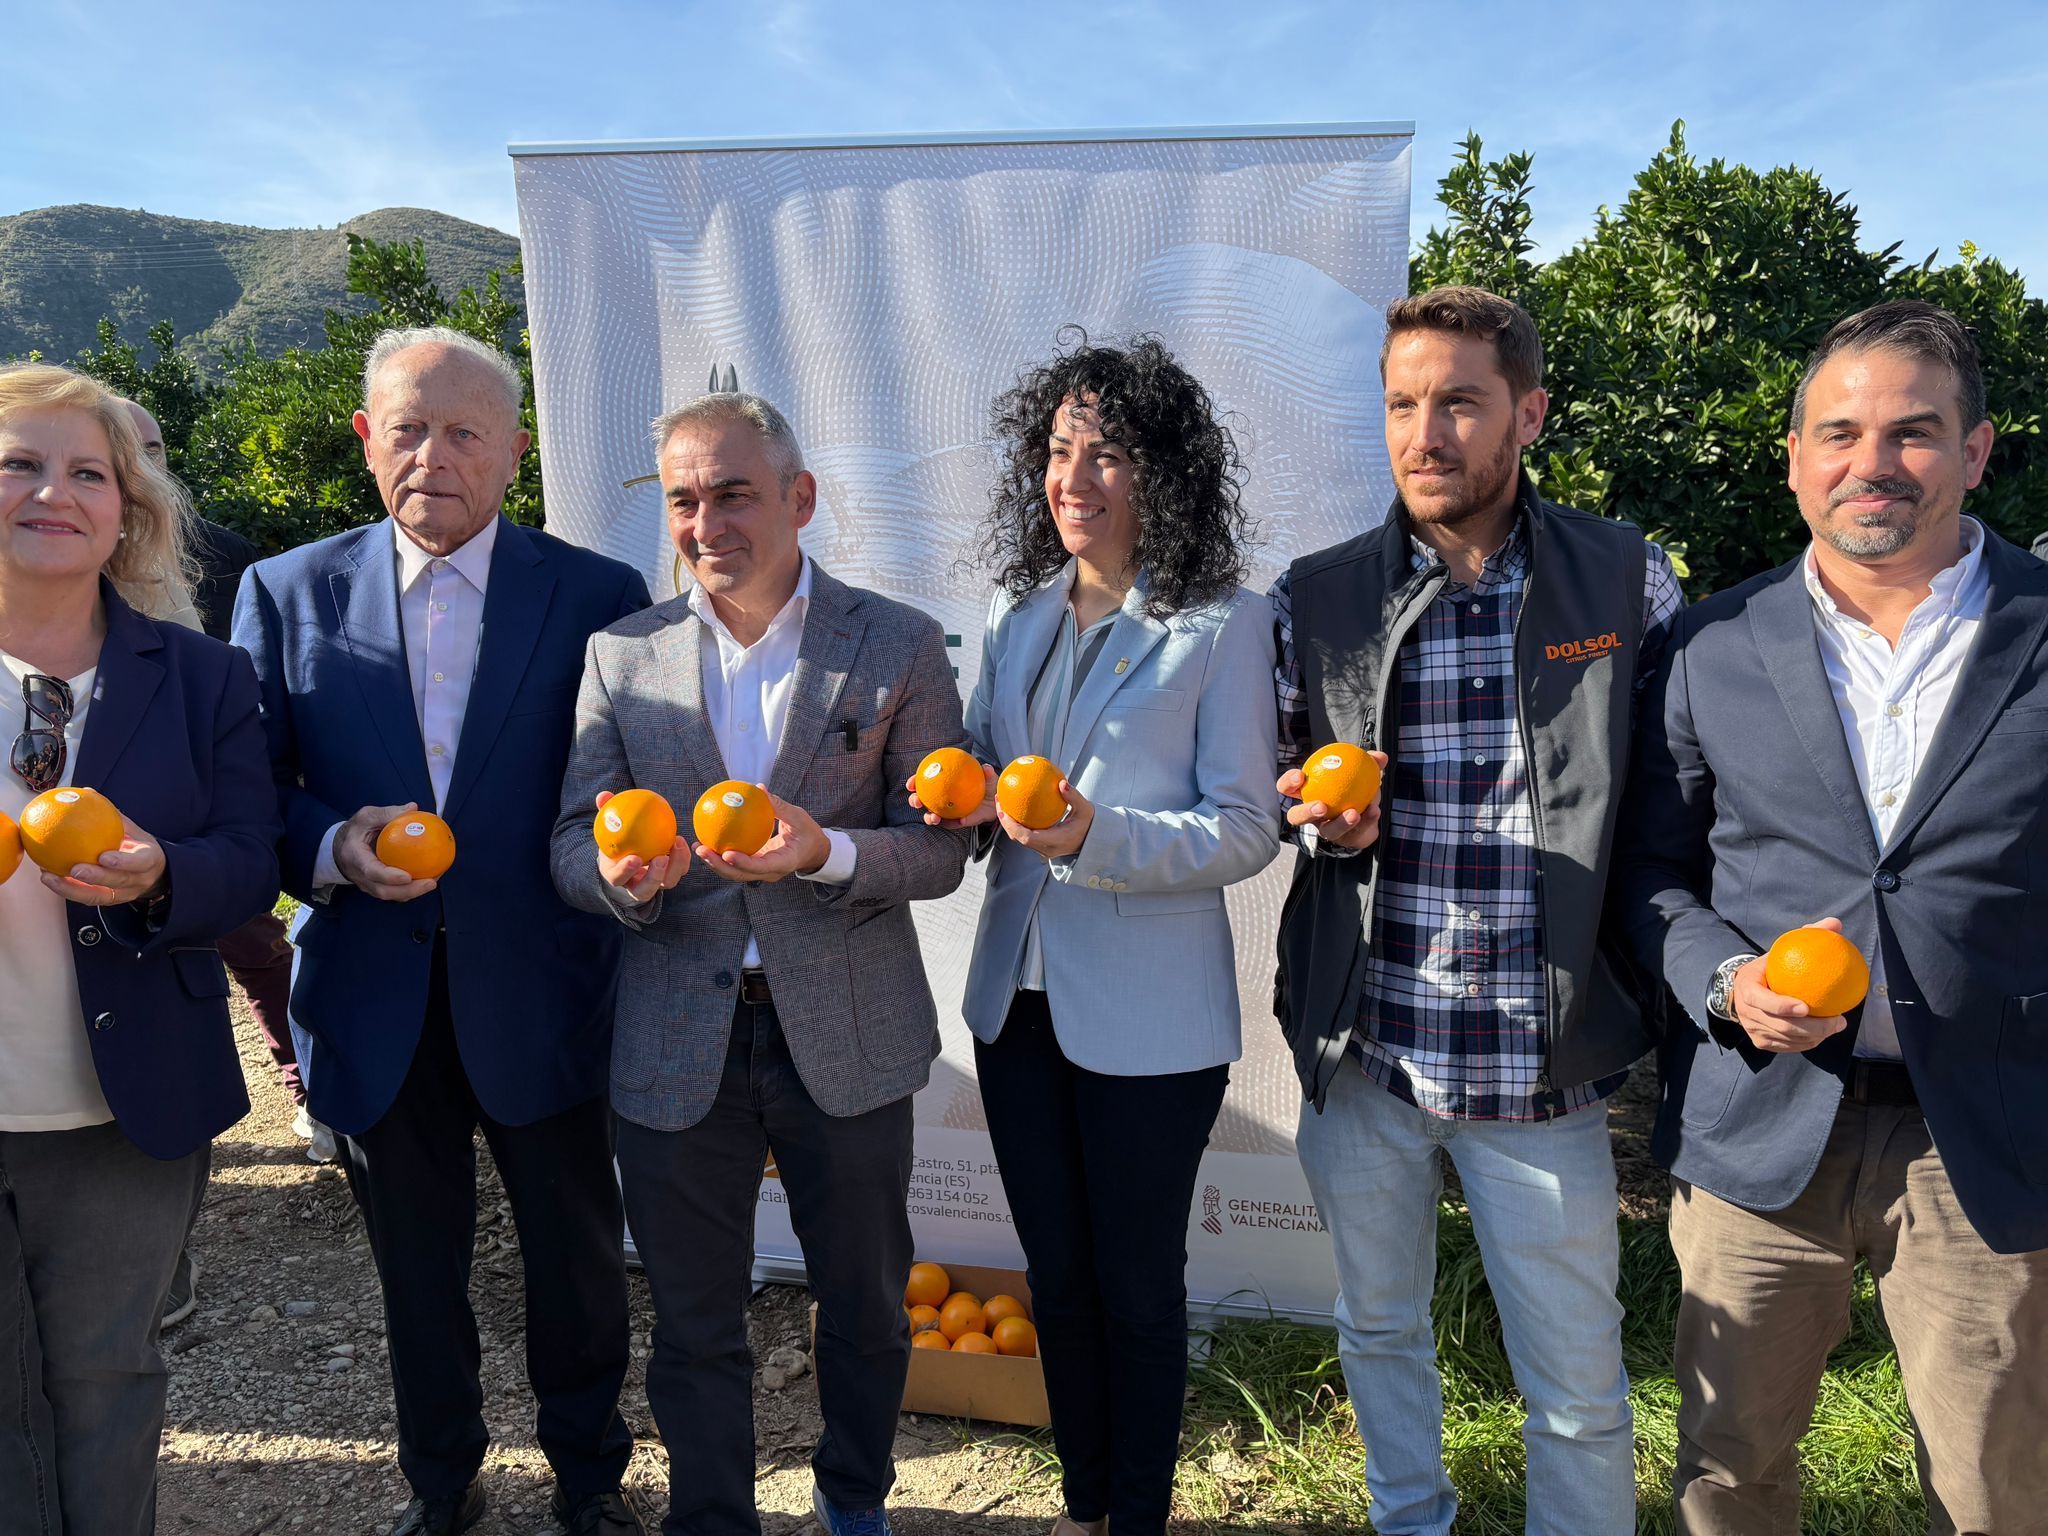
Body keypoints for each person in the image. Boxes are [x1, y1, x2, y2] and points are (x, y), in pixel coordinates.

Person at [1616, 299, 2048, 1533]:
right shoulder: (1709, 647)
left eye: (1912, 432)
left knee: (1996, 1488)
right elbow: (1649, 877)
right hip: (1760, 1129)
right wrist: (1721, 982)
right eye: (1838, 432)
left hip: (1987, 1134)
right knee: (1729, 1471)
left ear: (1972, 453)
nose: (1872, 464)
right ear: (1794, 458)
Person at [1271, 286, 1684, 1536]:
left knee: (1573, 1390)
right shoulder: (1317, 595)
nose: (1425, 432)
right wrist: (1313, 815)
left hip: (1539, 1064)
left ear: (1528, 415)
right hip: (1369, 1058)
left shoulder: (1625, 577)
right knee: (1378, 1329)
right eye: (1401, 403)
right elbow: (1281, 778)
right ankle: (1411, 1522)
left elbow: (1674, 808)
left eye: (1459, 401)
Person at [233, 327, 650, 1536]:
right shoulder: (284, 590)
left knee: (575, 1264)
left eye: (465, 431)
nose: (434, 456)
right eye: (408, 428)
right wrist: (332, 848)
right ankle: (441, 1480)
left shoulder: (595, 597)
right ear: (367, 439)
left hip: (546, 988)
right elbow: (250, 791)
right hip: (373, 990)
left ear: (512, 453)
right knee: (417, 1272)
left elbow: (617, 785)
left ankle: (589, 1478)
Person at [551, 391, 971, 1536]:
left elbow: (944, 844)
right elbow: (568, 840)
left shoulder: (896, 641)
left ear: (799, 498)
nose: (705, 522)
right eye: (684, 499)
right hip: (675, 1031)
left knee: (869, 1308)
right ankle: (712, 1520)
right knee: (692, 1321)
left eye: (731, 492)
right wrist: (615, 881)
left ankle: (853, 1503)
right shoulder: (619, 655)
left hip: (849, 1025)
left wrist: (823, 849)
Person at [925, 336, 1279, 1536]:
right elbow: (980, 785)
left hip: (1152, 1024)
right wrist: (959, 798)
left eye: (1107, 453)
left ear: (1161, 474)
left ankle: (1139, 1514)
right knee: (1059, 1286)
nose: (1073, 478)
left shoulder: (1224, 623)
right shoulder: (1012, 615)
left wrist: (1089, 834)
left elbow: (1242, 831)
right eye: (1058, 451)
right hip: (1013, 1007)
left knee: (1135, 1289)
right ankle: (1085, 1508)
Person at [0, 363, 280, 1535]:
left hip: (125, 1107)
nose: (50, 493)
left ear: (128, 510)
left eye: (86, 472)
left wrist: (167, 872)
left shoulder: (202, 675)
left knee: (109, 1383)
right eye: (18, 463)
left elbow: (250, 858)